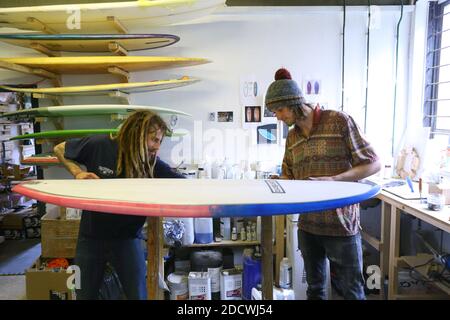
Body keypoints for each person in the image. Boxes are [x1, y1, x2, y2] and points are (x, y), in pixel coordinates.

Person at [265, 68, 380, 300]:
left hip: (341, 225)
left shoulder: (338, 121)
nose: (277, 116)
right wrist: (279, 181)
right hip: (308, 226)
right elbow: (291, 177)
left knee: (352, 292)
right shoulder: (293, 137)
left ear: (294, 102)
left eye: (279, 110)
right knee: (315, 290)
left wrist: (335, 180)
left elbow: (373, 164)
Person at [54, 110, 184, 300]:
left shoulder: (151, 164)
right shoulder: (99, 145)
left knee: (137, 295)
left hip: (127, 240)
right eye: (154, 140)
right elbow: (59, 149)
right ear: (137, 134)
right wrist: (77, 172)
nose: (157, 148)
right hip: (91, 238)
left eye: (159, 142)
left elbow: (185, 184)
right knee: (84, 295)